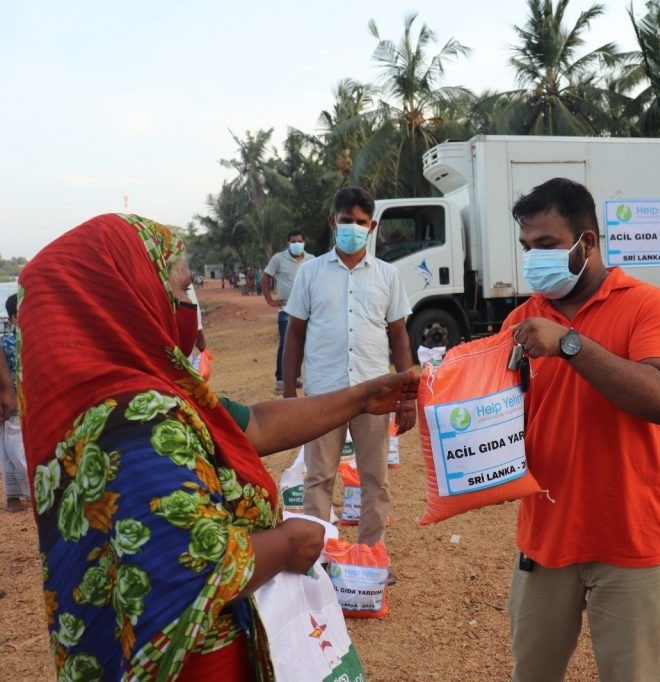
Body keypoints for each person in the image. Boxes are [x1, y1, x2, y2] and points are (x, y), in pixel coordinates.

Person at [17, 213, 418, 680]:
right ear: (127, 296)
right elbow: (189, 568)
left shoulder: (143, 395)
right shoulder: (134, 424)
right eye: (183, 290)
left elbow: (258, 424)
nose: (191, 305)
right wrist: (287, 545)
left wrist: (362, 397)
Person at [502, 178, 660, 681]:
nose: (533, 258)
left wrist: (569, 344)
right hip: (544, 537)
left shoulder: (648, 305)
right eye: (526, 248)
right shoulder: (519, 322)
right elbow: (498, 419)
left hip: (627, 534)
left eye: (546, 245)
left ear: (587, 242)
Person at [283, 187, 416, 557]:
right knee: (319, 477)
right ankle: (319, 557)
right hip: (323, 393)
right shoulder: (309, 273)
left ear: (372, 226)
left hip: (374, 393)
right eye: (346, 221)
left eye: (360, 222)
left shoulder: (388, 276)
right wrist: (290, 392)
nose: (353, 228)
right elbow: (294, 334)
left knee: (375, 478)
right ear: (332, 222)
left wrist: (407, 394)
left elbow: (399, 336)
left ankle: (371, 555)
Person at [261, 231, 315, 394]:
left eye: (299, 241)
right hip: (286, 310)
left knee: (306, 345)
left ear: (304, 242)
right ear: (288, 243)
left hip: (308, 311)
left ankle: (295, 377)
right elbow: (265, 278)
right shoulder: (278, 259)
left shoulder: (311, 259)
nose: (297, 244)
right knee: (286, 344)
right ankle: (281, 380)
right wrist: (270, 300)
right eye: (293, 242)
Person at [1, 294, 30, 512]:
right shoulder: (16, 342)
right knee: (17, 444)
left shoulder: (8, 341)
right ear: (12, 319)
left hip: (11, 399)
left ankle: (12, 498)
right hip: (17, 400)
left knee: (6, 445)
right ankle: (33, 490)